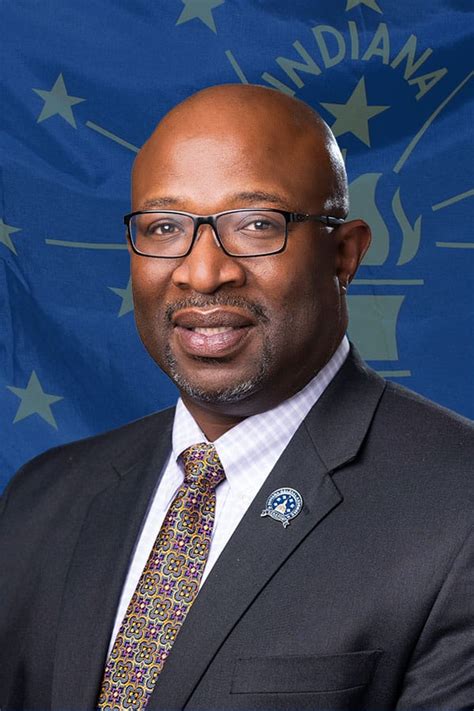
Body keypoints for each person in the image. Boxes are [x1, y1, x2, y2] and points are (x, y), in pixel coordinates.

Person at [0, 84, 472, 711]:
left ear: (344, 255)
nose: (202, 272)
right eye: (165, 227)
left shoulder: (460, 508)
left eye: (255, 225)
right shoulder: (40, 501)